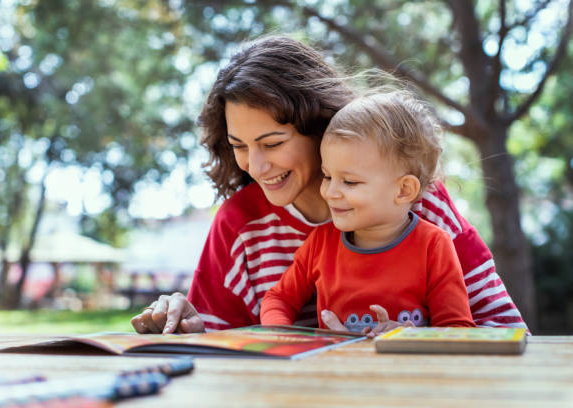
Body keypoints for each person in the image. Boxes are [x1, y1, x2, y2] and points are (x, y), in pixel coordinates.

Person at [130, 35, 527, 335]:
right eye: (239, 147)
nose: (257, 165)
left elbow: (506, 328)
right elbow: (224, 351)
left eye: (273, 143)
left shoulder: (418, 202)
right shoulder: (240, 226)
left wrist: (410, 340)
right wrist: (189, 327)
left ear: (320, 128)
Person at [260, 89, 475, 337]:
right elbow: (278, 299)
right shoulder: (321, 243)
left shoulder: (434, 246)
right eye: (328, 176)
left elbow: (458, 330)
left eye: (349, 182)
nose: (330, 192)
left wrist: (407, 336)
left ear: (404, 189)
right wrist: (282, 335)